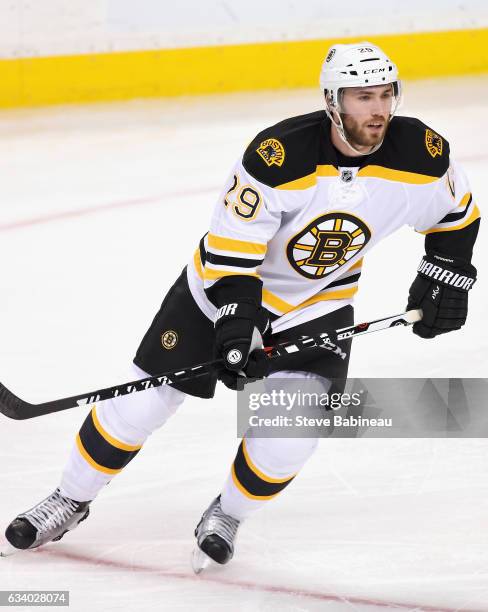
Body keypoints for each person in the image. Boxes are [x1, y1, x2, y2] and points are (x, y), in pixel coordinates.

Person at [3, 42, 480, 571]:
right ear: (332, 99)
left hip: (318, 306)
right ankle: (69, 499)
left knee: (288, 437)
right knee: (139, 407)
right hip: (216, 297)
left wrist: (447, 277)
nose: (378, 109)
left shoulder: (422, 154)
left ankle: (227, 514)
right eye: (362, 96)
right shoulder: (279, 155)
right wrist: (237, 327)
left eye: (386, 94)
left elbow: (457, 217)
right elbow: (233, 253)